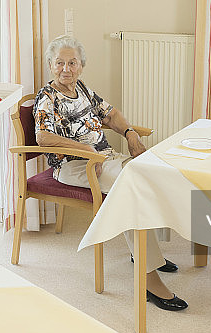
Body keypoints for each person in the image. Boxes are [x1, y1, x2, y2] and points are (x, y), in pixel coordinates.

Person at [33, 35, 188, 311]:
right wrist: (84, 147)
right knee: (131, 187)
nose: (65, 69)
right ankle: (148, 277)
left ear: (81, 66)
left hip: (103, 159)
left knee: (148, 174)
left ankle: (144, 254)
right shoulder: (48, 96)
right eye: (59, 63)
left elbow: (112, 114)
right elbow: (43, 137)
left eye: (72, 63)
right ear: (50, 65)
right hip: (73, 166)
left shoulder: (81, 89)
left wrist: (129, 134)